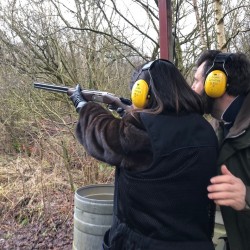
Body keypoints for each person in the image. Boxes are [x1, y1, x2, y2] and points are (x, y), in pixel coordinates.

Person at [68, 59, 218, 250]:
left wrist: (83, 106)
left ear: (142, 92)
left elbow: (101, 134)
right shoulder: (205, 128)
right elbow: (160, 139)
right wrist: (128, 113)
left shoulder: (143, 131)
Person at [192, 50, 250, 250]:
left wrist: (247, 196)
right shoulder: (221, 126)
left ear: (216, 83)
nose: (192, 89)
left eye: (196, 81)